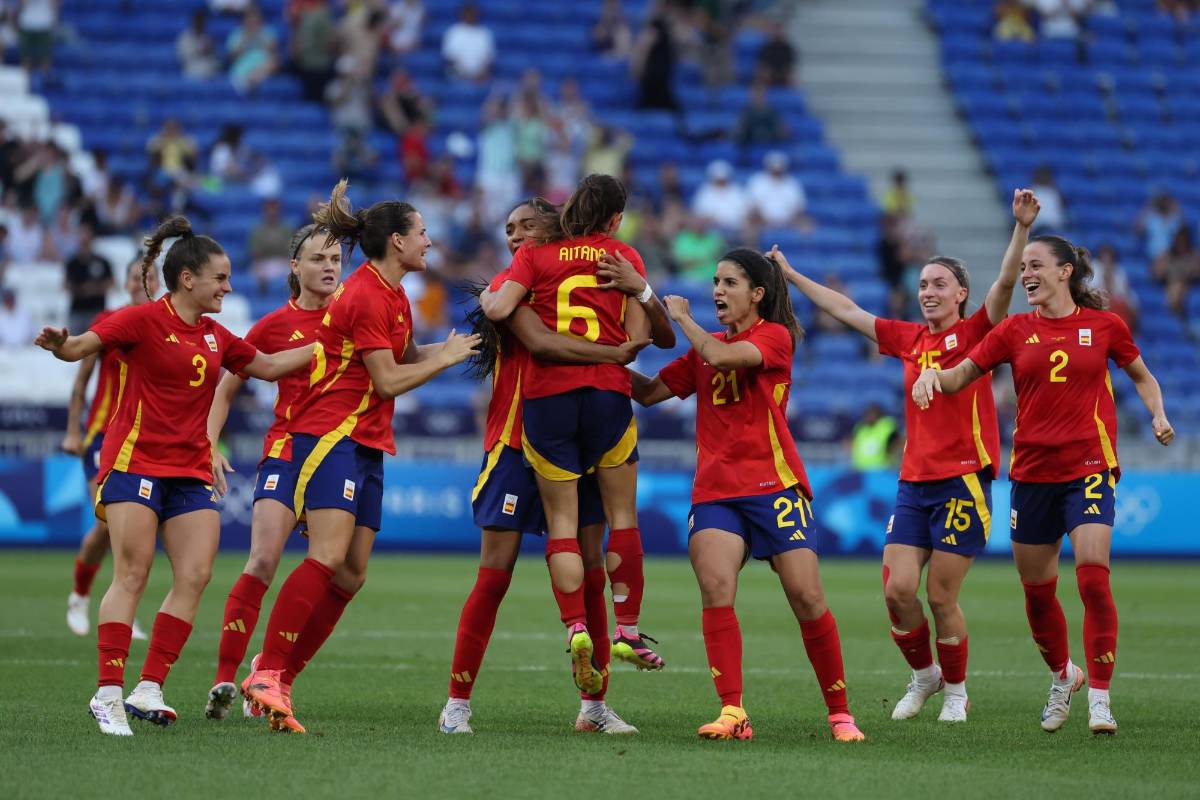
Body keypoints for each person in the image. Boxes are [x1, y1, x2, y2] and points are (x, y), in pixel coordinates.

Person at [34, 215, 318, 736]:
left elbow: (273, 366)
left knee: (195, 575)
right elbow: (80, 347)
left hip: (189, 470)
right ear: (188, 278)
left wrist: (331, 343)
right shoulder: (140, 321)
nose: (229, 287)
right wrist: (61, 344)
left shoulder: (217, 336)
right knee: (134, 575)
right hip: (135, 462)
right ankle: (107, 694)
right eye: (221, 278)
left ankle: (149, 686)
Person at [772, 189, 1039, 723]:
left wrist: (1022, 228)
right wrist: (791, 275)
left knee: (941, 596)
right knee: (896, 591)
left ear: (962, 292)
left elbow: (1006, 283)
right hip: (914, 483)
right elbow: (846, 309)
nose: (928, 292)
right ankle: (925, 677)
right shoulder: (908, 338)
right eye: (921, 285)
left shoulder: (976, 332)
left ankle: (958, 691)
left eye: (939, 284)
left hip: (963, 480)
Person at [912, 234, 1174, 735]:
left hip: (1089, 467)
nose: (1026, 274)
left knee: (1093, 578)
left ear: (1064, 272)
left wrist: (1157, 412)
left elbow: (1142, 375)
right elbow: (962, 373)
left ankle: (1100, 698)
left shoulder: (1104, 326)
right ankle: (1061, 677)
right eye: (1023, 266)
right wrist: (932, 377)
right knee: (1037, 594)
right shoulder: (1013, 330)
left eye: (1036, 265)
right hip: (1032, 474)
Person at [242, 182, 480, 733]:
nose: (429, 240)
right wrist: (442, 360)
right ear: (397, 242)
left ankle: (275, 677)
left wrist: (457, 348)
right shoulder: (369, 294)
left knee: (350, 575)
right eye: (421, 232)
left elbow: (399, 357)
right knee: (325, 557)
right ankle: (269, 671)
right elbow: (389, 378)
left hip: (367, 439)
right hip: (331, 433)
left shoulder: (393, 293)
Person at [629, 249, 865, 743]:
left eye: (730, 282)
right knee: (716, 589)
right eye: (715, 281)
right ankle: (733, 710)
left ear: (757, 294)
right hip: (716, 491)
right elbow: (649, 393)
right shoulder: (703, 346)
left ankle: (840, 713)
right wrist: (588, 361)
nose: (718, 290)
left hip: (774, 485)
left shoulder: (773, 338)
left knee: (806, 596)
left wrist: (682, 318)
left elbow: (718, 357)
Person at [440, 199, 652, 736]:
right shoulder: (517, 286)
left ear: (554, 229)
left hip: (566, 440)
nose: (514, 237)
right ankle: (457, 705)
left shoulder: (544, 278)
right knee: (495, 574)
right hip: (514, 445)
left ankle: (594, 707)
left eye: (525, 226)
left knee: (591, 570)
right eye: (508, 229)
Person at [202, 224, 343, 722]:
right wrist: (211, 443)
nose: (330, 266)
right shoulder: (272, 326)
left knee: (342, 571)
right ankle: (224, 678)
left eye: (336, 258)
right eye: (319, 258)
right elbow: (225, 387)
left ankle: (272, 671)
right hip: (286, 450)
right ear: (295, 267)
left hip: (339, 455)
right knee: (262, 559)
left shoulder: (356, 318)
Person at [62, 256, 158, 641]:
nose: (141, 283)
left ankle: (122, 605)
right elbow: (82, 379)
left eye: (148, 277)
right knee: (108, 524)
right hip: (104, 435)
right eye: (136, 277)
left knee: (133, 530)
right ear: (125, 282)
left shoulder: (165, 325)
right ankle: (81, 595)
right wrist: (72, 430)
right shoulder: (109, 322)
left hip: (145, 438)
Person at [64, 224, 114, 335]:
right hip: (77, 311)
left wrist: (94, 289)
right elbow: (65, 285)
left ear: (91, 239)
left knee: (96, 346)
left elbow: (111, 283)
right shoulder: (72, 263)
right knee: (74, 345)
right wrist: (81, 290)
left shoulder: (102, 262)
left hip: (97, 310)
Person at [441, 3, 494, 81]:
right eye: (468, 13)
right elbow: (449, 57)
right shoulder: (454, 32)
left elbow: (488, 58)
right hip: (458, 73)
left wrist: (481, 73)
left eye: (472, 13)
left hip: (480, 75)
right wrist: (466, 73)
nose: (470, 16)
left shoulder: (484, 33)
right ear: (462, 14)